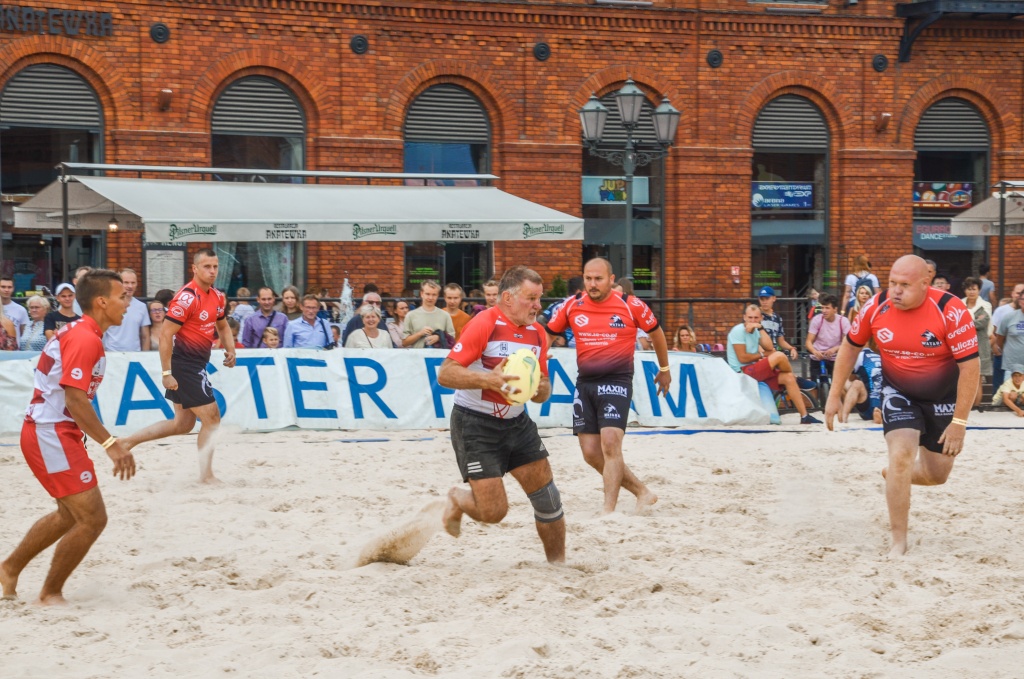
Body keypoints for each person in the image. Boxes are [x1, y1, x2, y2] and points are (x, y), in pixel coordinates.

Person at [825, 255, 979, 558]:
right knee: (902, 455)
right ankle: (899, 541)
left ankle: (894, 473)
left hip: (943, 397)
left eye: (904, 285)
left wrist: (959, 423)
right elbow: (850, 347)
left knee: (937, 475)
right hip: (899, 391)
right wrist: (833, 394)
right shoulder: (875, 306)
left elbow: (970, 369)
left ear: (925, 284)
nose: (895, 290)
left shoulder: (951, 310)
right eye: (892, 282)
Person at [0, 269, 135, 605]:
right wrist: (110, 444)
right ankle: (50, 593)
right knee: (92, 518)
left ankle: (9, 568)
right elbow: (75, 399)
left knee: (69, 514)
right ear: (102, 301)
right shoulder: (84, 337)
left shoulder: (81, 331)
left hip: (53, 433)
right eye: (122, 296)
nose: (128, 303)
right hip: (50, 434)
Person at [437, 265, 564, 563]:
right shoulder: (485, 323)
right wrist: (489, 380)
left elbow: (544, 387)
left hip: (517, 422)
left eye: (539, 298)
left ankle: (559, 567)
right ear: (507, 298)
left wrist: (540, 389)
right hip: (475, 423)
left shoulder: (538, 333)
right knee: (494, 512)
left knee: (548, 498)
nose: (538, 306)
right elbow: (446, 373)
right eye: (531, 298)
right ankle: (457, 498)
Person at [545, 257, 667, 514]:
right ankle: (641, 491)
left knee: (610, 443)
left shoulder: (630, 305)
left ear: (611, 280)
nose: (592, 284)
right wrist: (537, 358)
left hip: (617, 381)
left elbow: (656, 333)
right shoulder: (572, 305)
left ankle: (608, 511)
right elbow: (548, 332)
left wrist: (664, 369)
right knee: (590, 453)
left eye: (598, 279)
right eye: (588, 278)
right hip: (585, 383)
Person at [119, 249, 236, 484]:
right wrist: (166, 373)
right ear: (194, 268)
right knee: (212, 418)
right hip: (184, 365)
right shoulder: (186, 298)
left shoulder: (218, 296)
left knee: (183, 424)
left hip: (196, 363)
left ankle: (127, 442)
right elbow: (165, 336)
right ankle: (206, 475)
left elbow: (222, 326)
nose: (212, 271)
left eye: (215, 266)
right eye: (207, 266)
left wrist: (230, 348)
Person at [728, 305, 820, 424]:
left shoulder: (757, 331)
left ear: (761, 318)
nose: (753, 321)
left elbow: (770, 346)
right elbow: (743, 358)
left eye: (756, 318)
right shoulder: (738, 331)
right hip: (741, 372)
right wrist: (762, 354)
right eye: (750, 317)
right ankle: (797, 378)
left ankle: (805, 416)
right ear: (744, 317)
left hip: (754, 371)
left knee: (788, 378)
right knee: (779, 355)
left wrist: (760, 328)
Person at [102, 269, 151, 352]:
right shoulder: (109, 304)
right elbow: (103, 333)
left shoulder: (142, 307)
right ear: (119, 283)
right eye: (126, 282)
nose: (130, 286)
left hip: (135, 356)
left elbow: (145, 336)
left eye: (133, 283)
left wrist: (145, 356)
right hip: (112, 354)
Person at [961, 277, 992, 408]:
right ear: (965, 290)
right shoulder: (959, 303)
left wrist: (964, 324)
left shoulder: (985, 305)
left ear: (979, 290)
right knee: (963, 378)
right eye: (969, 289)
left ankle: (976, 406)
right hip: (962, 345)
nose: (971, 292)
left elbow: (982, 323)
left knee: (977, 378)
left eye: (974, 289)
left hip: (980, 346)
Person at [805, 293, 850, 377]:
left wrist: (834, 349)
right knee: (815, 385)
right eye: (822, 308)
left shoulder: (843, 321)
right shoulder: (817, 320)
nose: (824, 311)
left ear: (835, 309)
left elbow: (846, 343)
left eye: (827, 308)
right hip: (818, 356)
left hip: (835, 358)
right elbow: (808, 342)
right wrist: (815, 351)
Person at [403, 280, 455, 349]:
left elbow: (452, 339)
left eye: (434, 295)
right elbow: (404, 342)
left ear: (438, 295)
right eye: (427, 294)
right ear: (421, 294)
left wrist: (439, 337)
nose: (430, 298)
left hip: (439, 357)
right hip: (418, 357)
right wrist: (420, 333)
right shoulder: (410, 315)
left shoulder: (445, 315)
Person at [991, 283, 1023, 387]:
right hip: (1011, 365)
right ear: (1020, 301)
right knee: (1010, 395)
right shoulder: (1009, 317)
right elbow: (1000, 338)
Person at [839, 348, 883, 424]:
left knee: (855, 383)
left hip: (868, 403)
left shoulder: (860, 355)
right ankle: (879, 413)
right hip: (885, 400)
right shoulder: (883, 356)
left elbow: (849, 378)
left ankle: (844, 417)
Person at [541, 275, 583, 348]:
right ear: (579, 292)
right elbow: (540, 320)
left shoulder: (558, 304)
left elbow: (540, 320)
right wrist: (558, 337)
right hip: (569, 351)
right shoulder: (566, 305)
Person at [757, 286, 798, 360]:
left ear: (774, 298)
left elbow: (781, 341)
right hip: (759, 356)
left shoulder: (777, 318)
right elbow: (751, 339)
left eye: (767, 298)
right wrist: (761, 353)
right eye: (762, 299)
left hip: (774, 355)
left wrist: (791, 348)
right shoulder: (755, 316)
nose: (764, 302)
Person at [1, 275, 29, 346]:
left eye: (9, 287)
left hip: (14, 351)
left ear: (13, 289)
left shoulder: (21, 310)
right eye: (3, 287)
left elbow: (25, 334)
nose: (6, 290)